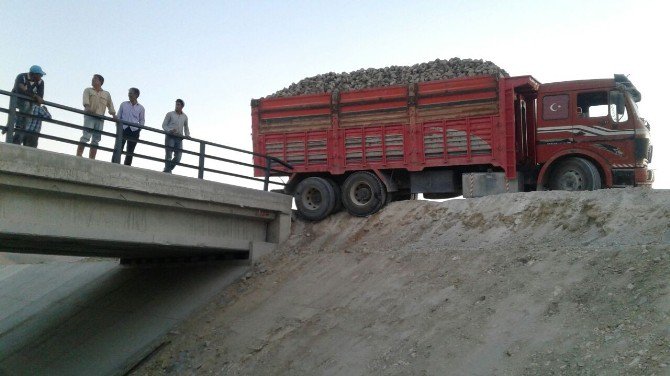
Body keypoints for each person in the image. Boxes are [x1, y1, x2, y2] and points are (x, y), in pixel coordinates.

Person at [78, 74, 116, 159]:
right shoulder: (88, 90)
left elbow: (110, 104)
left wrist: (113, 114)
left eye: (95, 79)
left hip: (100, 118)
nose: (92, 80)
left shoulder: (106, 94)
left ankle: (92, 158)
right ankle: (79, 155)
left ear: (100, 82)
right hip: (90, 116)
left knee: (96, 139)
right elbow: (85, 101)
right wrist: (87, 107)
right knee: (86, 136)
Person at [7, 65, 45, 140]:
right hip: (17, 99)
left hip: (30, 102)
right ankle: (17, 128)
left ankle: (18, 133)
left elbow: (40, 96)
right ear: (34, 74)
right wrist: (35, 96)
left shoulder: (40, 82)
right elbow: (19, 91)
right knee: (26, 106)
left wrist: (28, 92)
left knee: (29, 112)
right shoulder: (21, 77)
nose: (41, 77)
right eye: (40, 75)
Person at [115, 87, 145, 165]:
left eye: (131, 93)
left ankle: (126, 167)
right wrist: (118, 127)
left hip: (134, 130)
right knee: (118, 148)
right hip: (123, 128)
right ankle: (114, 164)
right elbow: (119, 116)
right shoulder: (123, 104)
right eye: (129, 93)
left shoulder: (141, 108)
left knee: (130, 151)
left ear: (136, 95)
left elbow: (142, 120)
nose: (129, 94)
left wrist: (139, 129)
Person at [161, 99, 190, 173]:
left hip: (179, 138)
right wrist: (169, 130)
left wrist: (187, 135)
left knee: (178, 157)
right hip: (170, 136)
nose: (176, 106)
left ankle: (167, 169)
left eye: (178, 105)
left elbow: (186, 127)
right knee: (169, 155)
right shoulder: (170, 114)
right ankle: (167, 171)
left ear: (182, 106)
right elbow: (164, 125)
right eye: (176, 104)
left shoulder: (185, 117)